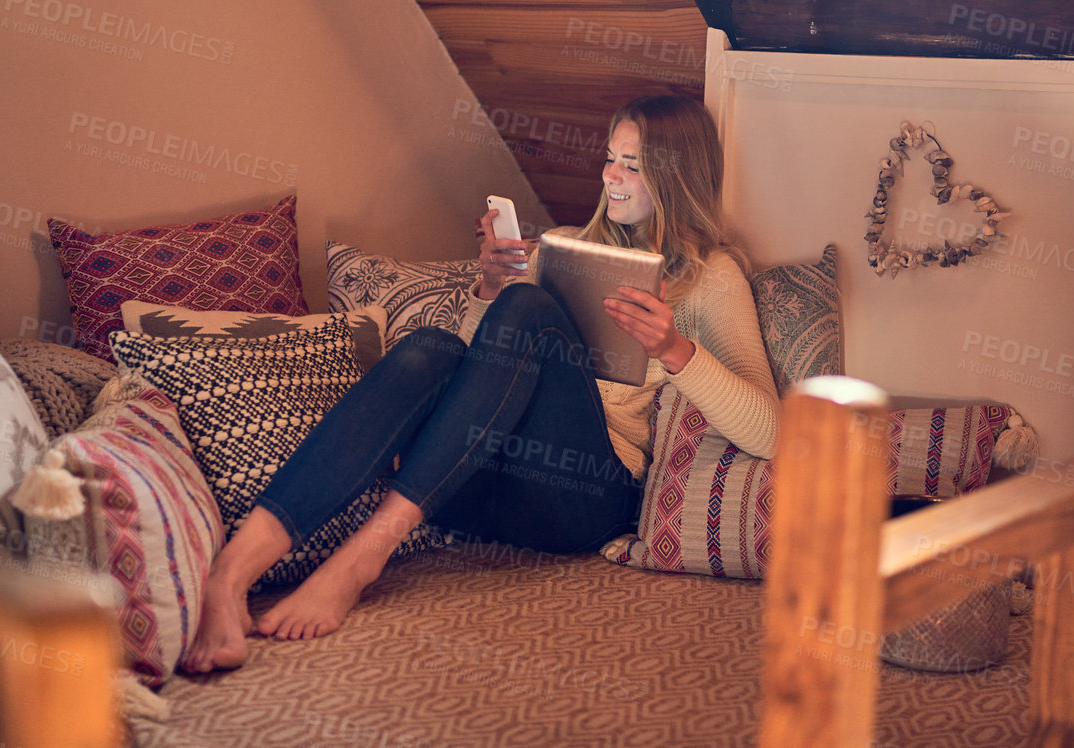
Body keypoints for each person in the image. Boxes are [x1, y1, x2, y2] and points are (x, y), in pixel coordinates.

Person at [181, 95, 780, 672]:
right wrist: (489, 289)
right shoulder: (570, 247)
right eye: (608, 158)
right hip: (471, 486)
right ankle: (230, 576)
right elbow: (478, 365)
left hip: (578, 501)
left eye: (633, 166)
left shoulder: (711, 278)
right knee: (428, 347)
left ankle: (359, 562)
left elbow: (770, 433)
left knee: (527, 307)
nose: (610, 178)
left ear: (677, 177)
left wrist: (676, 351)